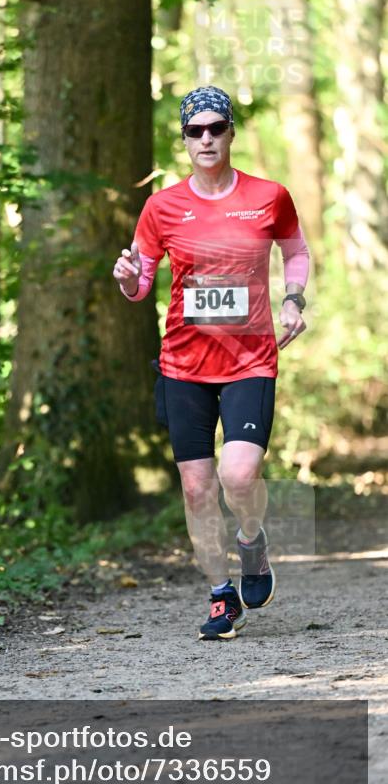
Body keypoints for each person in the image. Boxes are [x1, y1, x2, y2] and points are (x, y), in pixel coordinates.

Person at [113, 85, 310, 640]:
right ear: (184, 139)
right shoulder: (162, 207)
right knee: (197, 487)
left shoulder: (269, 196)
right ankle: (222, 596)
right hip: (183, 364)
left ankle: (251, 541)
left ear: (230, 132)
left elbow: (295, 250)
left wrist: (293, 300)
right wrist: (127, 280)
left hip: (250, 359)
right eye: (194, 130)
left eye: (215, 128)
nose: (205, 138)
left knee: (238, 475)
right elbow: (140, 282)